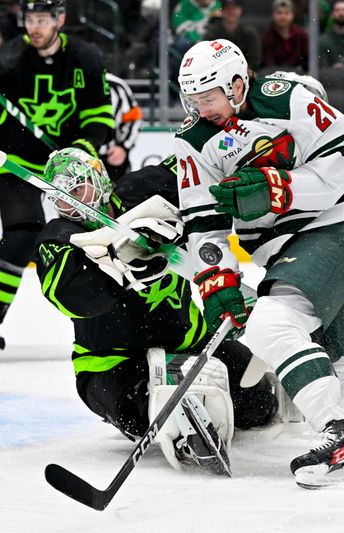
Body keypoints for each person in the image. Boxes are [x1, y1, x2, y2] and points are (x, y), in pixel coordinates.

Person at [175, 38, 344, 488]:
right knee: (327, 390)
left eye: (209, 97)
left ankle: (340, 443)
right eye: (193, 100)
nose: (201, 109)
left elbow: (343, 159)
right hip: (282, 261)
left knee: (267, 324)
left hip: (332, 238)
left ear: (238, 84)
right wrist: (217, 277)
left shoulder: (286, 100)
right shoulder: (194, 142)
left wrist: (280, 188)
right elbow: (205, 227)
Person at [32, 148, 278, 474]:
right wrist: (118, 267)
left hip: (191, 340)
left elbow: (195, 160)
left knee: (260, 404)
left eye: (78, 189)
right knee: (144, 408)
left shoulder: (141, 189)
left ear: (98, 179)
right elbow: (72, 297)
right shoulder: (60, 236)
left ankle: (277, 392)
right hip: (111, 362)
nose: (71, 203)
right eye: (62, 197)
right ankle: (176, 423)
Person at [0, 0, 114, 361]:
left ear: (59, 20)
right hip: (18, 162)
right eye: (30, 19)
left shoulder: (86, 57)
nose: (35, 26)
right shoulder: (7, 58)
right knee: (23, 232)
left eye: (42, 19)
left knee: (93, 240)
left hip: (69, 166)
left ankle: (103, 325)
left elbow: (101, 117)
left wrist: (80, 149)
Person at [102, 73, 142, 182]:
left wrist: (123, 147)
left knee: (118, 196)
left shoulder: (115, 85)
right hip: (74, 157)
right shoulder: (62, 80)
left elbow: (134, 117)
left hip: (110, 157)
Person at [204, 0, 261, 73]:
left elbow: (255, 61)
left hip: (244, 72)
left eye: (234, 8)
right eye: (227, 8)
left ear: (240, 10)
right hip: (218, 73)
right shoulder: (212, 32)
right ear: (222, 11)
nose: (231, 11)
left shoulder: (249, 32)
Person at [260, 0, 309, 72]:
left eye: (287, 13)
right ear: (273, 15)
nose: (283, 17)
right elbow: (268, 64)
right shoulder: (266, 38)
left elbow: (308, 60)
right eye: (279, 13)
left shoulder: (302, 35)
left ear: (293, 15)